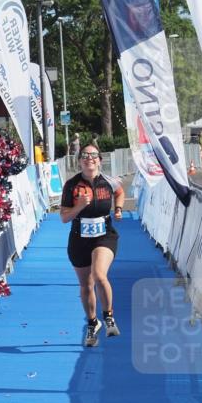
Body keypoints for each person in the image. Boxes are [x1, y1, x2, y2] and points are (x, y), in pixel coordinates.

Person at [59, 145, 124, 347]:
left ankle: (109, 316)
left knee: (99, 275)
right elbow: (64, 217)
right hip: (79, 239)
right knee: (86, 285)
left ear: (99, 160)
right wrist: (79, 205)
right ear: (79, 161)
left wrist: (119, 208)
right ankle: (92, 323)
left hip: (104, 236)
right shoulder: (71, 185)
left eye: (93, 155)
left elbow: (120, 192)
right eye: (85, 156)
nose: (89, 159)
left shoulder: (109, 181)